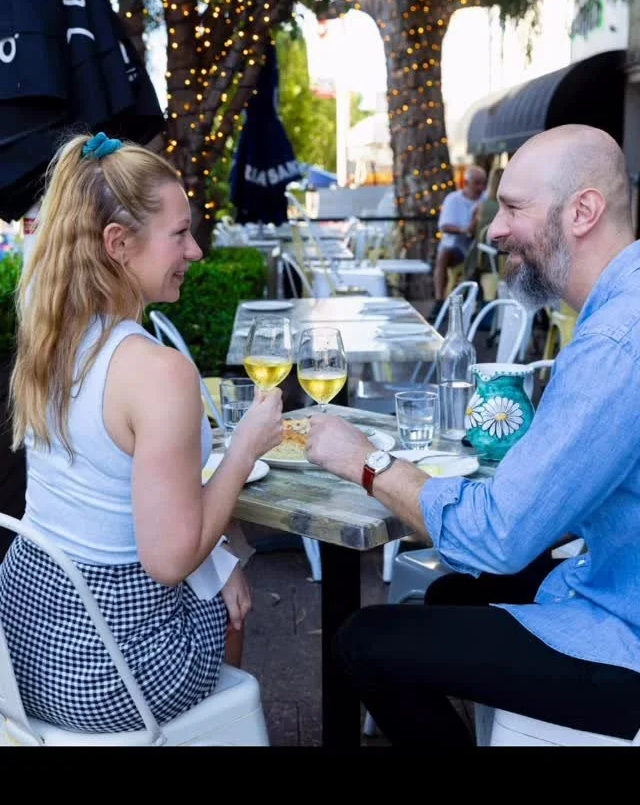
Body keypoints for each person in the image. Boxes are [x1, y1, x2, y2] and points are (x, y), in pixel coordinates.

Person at [306, 123, 640, 747]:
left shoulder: (616, 343)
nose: (493, 230)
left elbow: (499, 537)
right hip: (614, 573)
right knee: (449, 595)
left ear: (583, 212)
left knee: (363, 642)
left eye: (513, 208)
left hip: (627, 638)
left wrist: (367, 461)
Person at [0, 131, 283, 732]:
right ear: (118, 244)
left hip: (21, 659)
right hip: (111, 677)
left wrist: (218, 560)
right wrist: (245, 446)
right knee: (231, 598)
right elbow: (170, 560)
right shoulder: (158, 372)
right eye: (180, 234)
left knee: (220, 570)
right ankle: (208, 736)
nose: (195, 251)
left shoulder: (51, 342)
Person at [433, 165, 487, 309]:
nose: (481, 187)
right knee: (443, 254)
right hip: (457, 247)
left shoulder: (486, 199)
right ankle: (439, 301)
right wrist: (464, 230)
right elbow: (444, 226)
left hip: (480, 247)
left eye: (483, 183)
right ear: (466, 183)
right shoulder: (453, 199)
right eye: (477, 183)